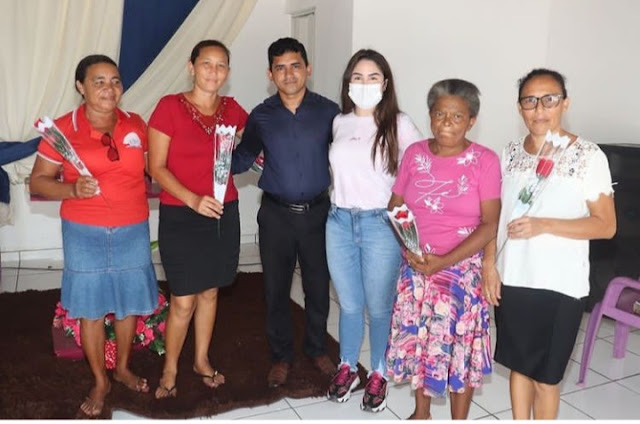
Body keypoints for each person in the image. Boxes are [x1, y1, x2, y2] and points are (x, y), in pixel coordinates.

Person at [483, 68, 616, 419]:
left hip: (559, 285)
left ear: (565, 104)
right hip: (513, 278)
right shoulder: (510, 153)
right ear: (519, 108)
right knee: (518, 366)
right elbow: (496, 217)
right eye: (530, 101)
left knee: (546, 378)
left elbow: (606, 225)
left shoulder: (588, 156)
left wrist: (544, 225)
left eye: (549, 99)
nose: (539, 109)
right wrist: (489, 265)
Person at [29, 54, 158, 417]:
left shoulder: (136, 123)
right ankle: (100, 380)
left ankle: (123, 368)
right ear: (80, 86)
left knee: (129, 303)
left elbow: (156, 168)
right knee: (91, 308)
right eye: (98, 81)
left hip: (132, 228)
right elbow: (38, 181)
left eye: (115, 81)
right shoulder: (62, 130)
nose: (109, 88)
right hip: (84, 232)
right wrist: (71, 189)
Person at [385, 79, 501, 420]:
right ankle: (421, 413)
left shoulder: (485, 161)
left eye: (457, 116)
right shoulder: (415, 154)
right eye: (439, 114)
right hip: (417, 265)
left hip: (460, 273)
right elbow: (395, 206)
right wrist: (409, 247)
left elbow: (490, 224)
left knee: (459, 349)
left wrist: (444, 262)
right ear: (430, 115)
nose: (446, 122)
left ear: (471, 121)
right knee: (421, 342)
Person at [231, 37, 340, 387]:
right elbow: (242, 158)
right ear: (270, 74)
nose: (289, 74)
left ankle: (317, 348)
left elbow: (349, 157)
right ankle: (281, 356)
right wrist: (211, 157)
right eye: (280, 68)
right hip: (276, 216)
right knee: (275, 288)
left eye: (295, 66)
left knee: (318, 287)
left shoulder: (330, 112)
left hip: (318, 214)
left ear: (308, 69)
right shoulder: (261, 116)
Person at [147, 40, 248, 399]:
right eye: (206, 64)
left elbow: (253, 143)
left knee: (210, 291)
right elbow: (155, 167)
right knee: (183, 299)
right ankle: (170, 368)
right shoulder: (169, 107)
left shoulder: (233, 110)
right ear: (191, 67)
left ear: (228, 72)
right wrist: (192, 199)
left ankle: (201, 360)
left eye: (221, 66)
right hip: (181, 214)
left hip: (223, 213)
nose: (213, 72)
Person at [324, 49, 422, 411]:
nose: (364, 83)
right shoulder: (339, 122)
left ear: (385, 83)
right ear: (348, 83)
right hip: (338, 222)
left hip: (380, 225)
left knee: (379, 307)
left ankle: (379, 371)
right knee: (349, 304)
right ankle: (348, 367)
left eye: (373, 77)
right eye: (358, 77)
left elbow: (420, 170)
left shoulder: (400, 123)